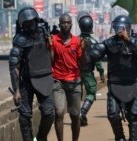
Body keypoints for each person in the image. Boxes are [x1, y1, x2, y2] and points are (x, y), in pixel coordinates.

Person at [90, 15, 137, 141]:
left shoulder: (134, 42)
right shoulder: (110, 42)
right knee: (113, 114)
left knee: (134, 115)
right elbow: (96, 54)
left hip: (131, 84)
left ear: (127, 28)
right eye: (115, 28)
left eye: (120, 28)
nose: (118, 30)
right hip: (115, 84)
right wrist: (92, 51)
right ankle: (120, 137)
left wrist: (128, 40)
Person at [9, 7, 54, 141]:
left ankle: (41, 138)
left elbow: (52, 57)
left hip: (45, 77)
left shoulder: (45, 32)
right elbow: (14, 66)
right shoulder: (20, 39)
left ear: (36, 21)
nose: (30, 26)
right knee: (24, 117)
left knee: (49, 113)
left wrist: (50, 45)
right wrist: (16, 89)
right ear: (22, 25)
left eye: (31, 23)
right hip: (27, 81)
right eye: (26, 24)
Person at [51, 13, 82, 141]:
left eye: (68, 22)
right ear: (59, 25)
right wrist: (50, 48)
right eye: (63, 22)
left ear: (71, 24)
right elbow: (50, 60)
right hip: (58, 81)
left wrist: (84, 50)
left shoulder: (77, 41)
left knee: (75, 115)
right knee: (59, 113)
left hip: (74, 82)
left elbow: (82, 62)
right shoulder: (53, 40)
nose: (65, 25)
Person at [77, 13, 105, 126]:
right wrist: (101, 73)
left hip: (75, 73)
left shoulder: (75, 40)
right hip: (88, 72)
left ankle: (77, 115)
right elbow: (97, 60)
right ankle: (82, 113)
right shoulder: (94, 42)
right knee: (92, 93)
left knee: (75, 95)